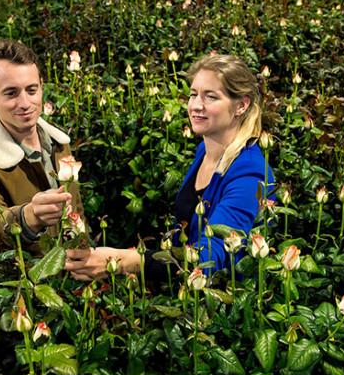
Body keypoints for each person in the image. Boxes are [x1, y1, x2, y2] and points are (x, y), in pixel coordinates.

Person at [65, 54, 275, 281]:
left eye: (211, 97)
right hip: (183, 285)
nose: (196, 105)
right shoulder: (204, 151)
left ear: (241, 105)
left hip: (219, 302)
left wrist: (127, 262)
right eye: (193, 94)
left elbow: (211, 258)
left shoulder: (250, 172)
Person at [0, 39, 82, 246]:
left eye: (31, 90)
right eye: (11, 93)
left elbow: (77, 209)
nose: (25, 104)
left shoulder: (60, 144)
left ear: (42, 87)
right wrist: (29, 216)